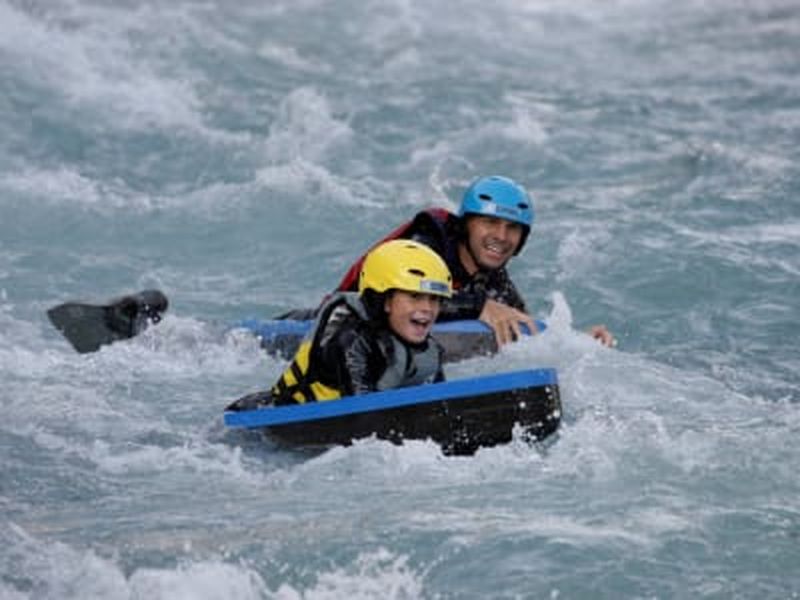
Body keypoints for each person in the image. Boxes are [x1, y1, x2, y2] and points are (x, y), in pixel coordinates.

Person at [334, 175, 615, 348]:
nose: (501, 236)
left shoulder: (493, 279)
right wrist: (478, 306)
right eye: (490, 222)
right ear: (466, 225)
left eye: (513, 228)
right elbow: (390, 304)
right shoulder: (425, 245)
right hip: (338, 330)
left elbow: (525, 332)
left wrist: (575, 342)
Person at [270, 239, 452, 405]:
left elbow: (443, 405)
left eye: (434, 299)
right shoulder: (350, 341)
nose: (427, 308)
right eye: (415, 296)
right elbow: (362, 413)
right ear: (385, 301)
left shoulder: (429, 349)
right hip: (280, 417)